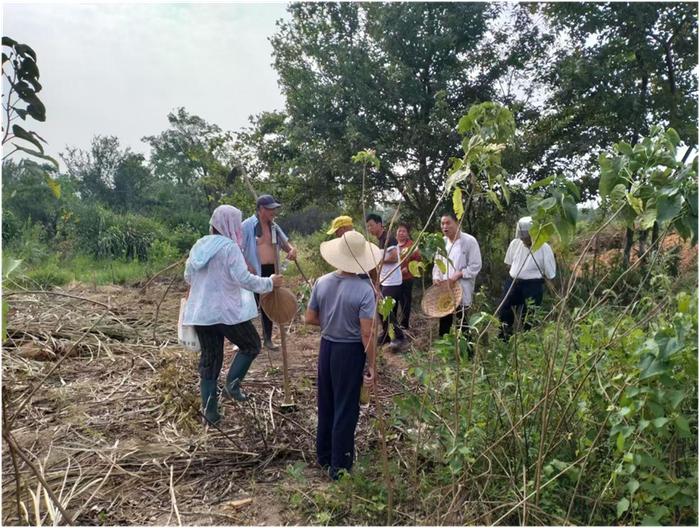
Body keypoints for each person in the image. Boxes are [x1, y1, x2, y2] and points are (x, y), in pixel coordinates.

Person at [183, 205, 284, 425]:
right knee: (251, 345)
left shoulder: (199, 245)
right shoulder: (229, 248)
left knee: (210, 360)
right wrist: (269, 282)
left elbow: (188, 276)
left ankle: (210, 414)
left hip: (201, 313)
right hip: (227, 312)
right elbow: (244, 279)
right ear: (230, 225)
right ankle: (232, 386)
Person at [305, 230, 379, 480]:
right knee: (346, 408)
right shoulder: (365, 290)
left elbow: (310, 318)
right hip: (349, 352)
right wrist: (372, 365)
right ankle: (340, 467)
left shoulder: (322, 282)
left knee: (326, 403)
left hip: (326, 347)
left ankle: (324, 456)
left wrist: (332, 322)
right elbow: (366, 333)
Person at [241, 194, 297, 351]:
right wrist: (246, 265)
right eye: (270, 209)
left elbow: (285, 245)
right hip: (253, 271)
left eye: (274, 208)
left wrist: (292, 250)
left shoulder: (274, 227)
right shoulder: (247, 226)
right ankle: (245, 341)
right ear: (260, 209)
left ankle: (268, 339)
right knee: (249, 305)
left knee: (270, 304)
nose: (274, 212)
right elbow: (236, 248)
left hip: (271, 271)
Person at [498, 216, 556, 338]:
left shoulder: (545, 248)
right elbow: (509, 263)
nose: (524, 240)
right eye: (522, 237)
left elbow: (550, 273)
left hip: (533, 285)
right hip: (513, 282)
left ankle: (526, 341)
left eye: (526, 237)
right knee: (504, 310)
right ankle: (504, 338)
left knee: (529, 316)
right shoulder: (515, 243)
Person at [432, 212, 482, 337]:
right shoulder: (442, 243)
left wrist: (459, 274)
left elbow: (476, 265)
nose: (445, 226)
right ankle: (444, 352)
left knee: (462, 322)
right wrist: (436, 277)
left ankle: (467, 354)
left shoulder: (469, 241)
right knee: (444, 321)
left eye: (448, 223)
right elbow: (437, 263)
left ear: (458, 223)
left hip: (461, 288)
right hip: (445, 289)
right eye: (442, 223)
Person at [366, 214, 405, 348]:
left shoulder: (389, 238)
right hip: (384, 280)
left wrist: (377, 260)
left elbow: (394, 258)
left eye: (371, 225)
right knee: (383, 309)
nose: (370, 228)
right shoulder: (379, 240)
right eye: (368, 226)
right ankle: (387, 335)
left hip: (393, 280)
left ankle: (399, 337)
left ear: (379, 224)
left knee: (385, 309)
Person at [396, 222, 421, 330]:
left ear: (407, 234)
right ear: (396, 233)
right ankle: (394, 325)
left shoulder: (412, 245)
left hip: (406, 278)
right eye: (399, 231)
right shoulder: (393, 244)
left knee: (405, 302)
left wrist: (409, 268)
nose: (401, 233)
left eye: (404, 231)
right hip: (394, 280)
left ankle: (404, 325)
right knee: (394, 302)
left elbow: (418, 259)